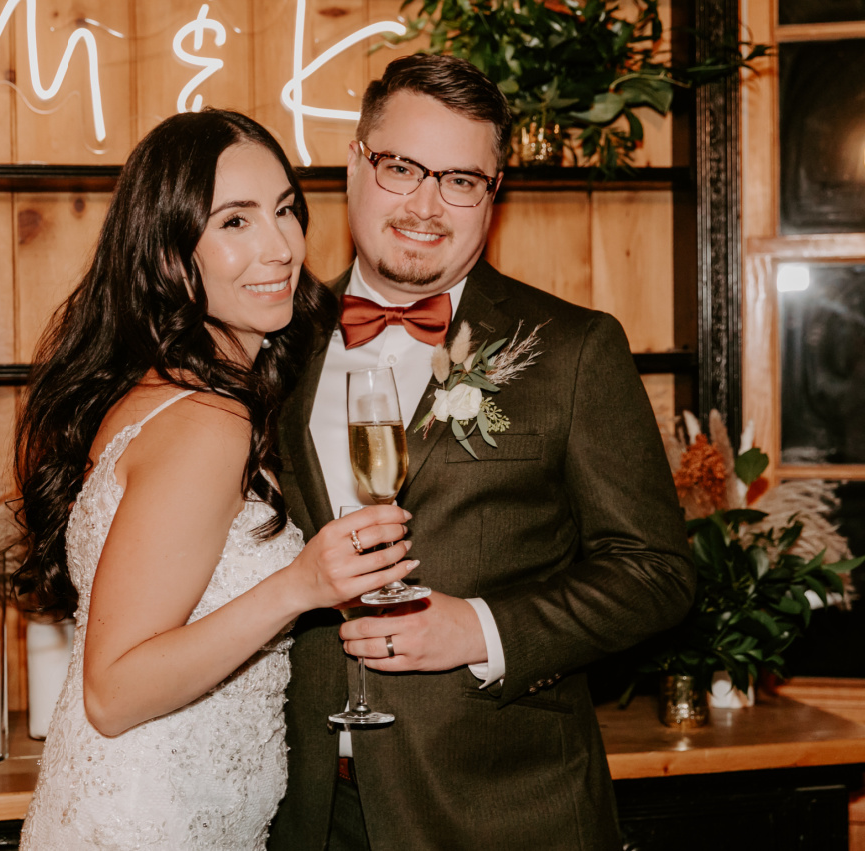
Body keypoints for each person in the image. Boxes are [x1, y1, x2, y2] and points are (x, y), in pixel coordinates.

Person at [269, 56, 696, 850]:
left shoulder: (573, 350)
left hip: (504, 814)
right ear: (355, 164)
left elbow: (656, 571)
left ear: (492, 196)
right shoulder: (273, 349)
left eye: (462, 180)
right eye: (402, 168)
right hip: (306, 814)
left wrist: (483, 629)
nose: (427, 205)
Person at [14, 109, 418, 851]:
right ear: (172, 252)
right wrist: (300, 585)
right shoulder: (208, 422)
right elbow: (113, 690)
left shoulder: (159, 389)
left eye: (286, 211)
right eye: (235, 222)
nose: (280, 247)